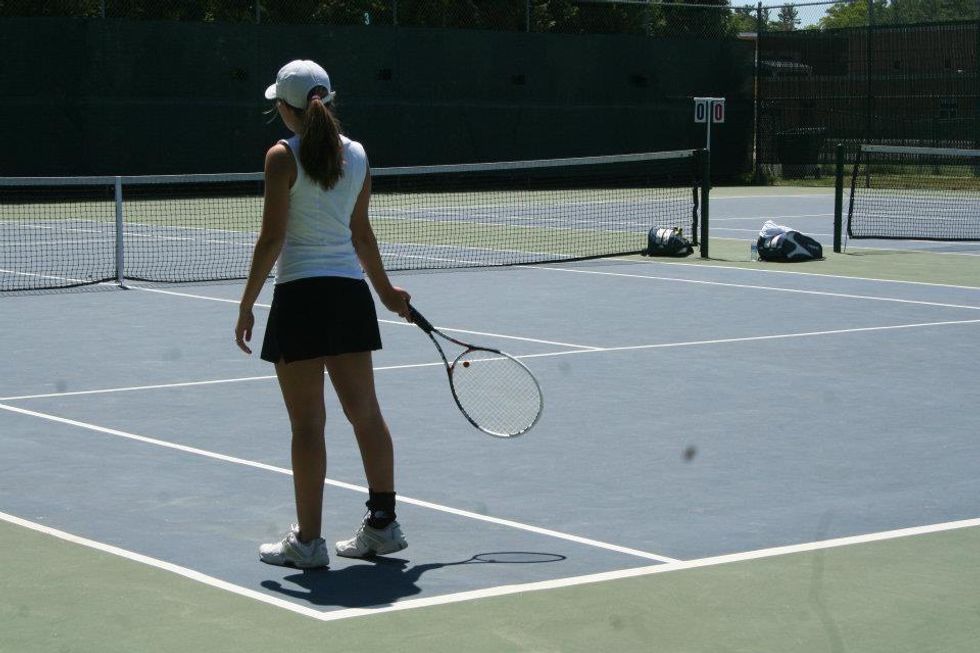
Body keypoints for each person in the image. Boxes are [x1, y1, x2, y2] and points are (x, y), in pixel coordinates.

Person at [235, 60, 410, 569]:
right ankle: (383, 526)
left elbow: (272, 239)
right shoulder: (358, 155)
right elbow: (361, 234)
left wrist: (246, 304)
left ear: (285, 109)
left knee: (308, 426)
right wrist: (384, 292)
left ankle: (308, 543)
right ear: (327, 101)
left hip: (300, 301)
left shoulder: (280, 157)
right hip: (348, 299)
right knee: (366, 414)